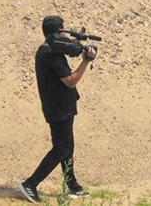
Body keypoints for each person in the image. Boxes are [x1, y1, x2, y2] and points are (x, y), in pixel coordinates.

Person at [19, 15, 98, 203]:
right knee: (61, 148)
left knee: (67, 147)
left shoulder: (45, 50)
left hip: (60, 107)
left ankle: (72, 184)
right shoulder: (52, 55)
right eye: (63, 30)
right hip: (59, 109)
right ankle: (30, 183)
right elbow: (70, 82)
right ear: (57, 32)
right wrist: (86, 61)